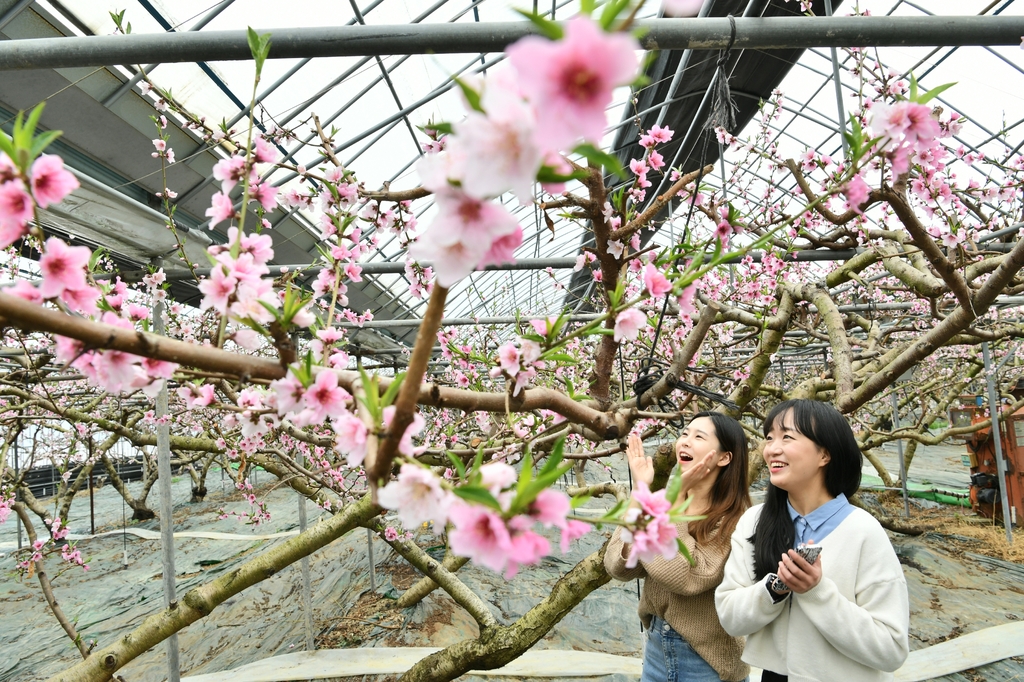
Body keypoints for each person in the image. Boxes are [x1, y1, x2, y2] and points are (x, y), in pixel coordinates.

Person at [715, 399, 909, 682]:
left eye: (787, 437)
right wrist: (774, 589)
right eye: (769, 438)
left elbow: (891, 649)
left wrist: (816, 592)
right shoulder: (755, 522)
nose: (772, 449)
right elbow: (730, 617)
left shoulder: (863, 531)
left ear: (824, 455)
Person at [605, 411, 752, 682]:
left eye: (698, 436)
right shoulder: (665, 502)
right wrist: (641, 491)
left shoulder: (735, 520)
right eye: (684, 433)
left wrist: (675, 497)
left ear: (724, 457)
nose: (684, 441)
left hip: (707, 663)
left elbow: (685, 578)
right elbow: (619, 564)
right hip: (656, 651)